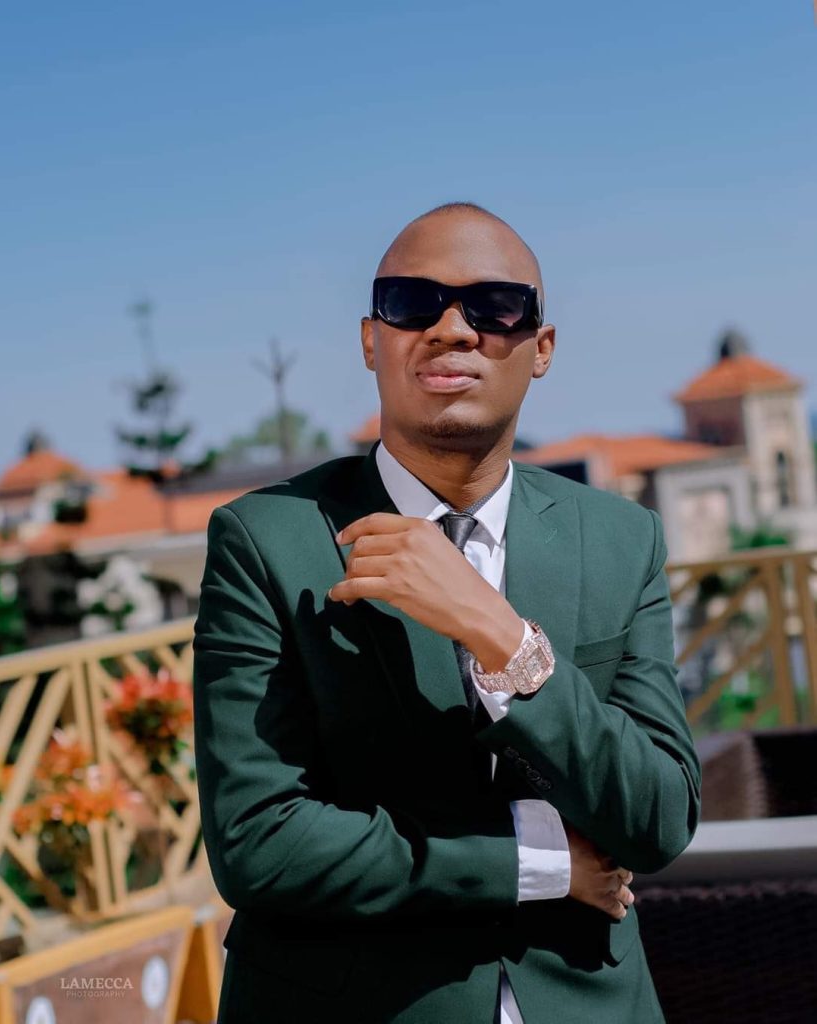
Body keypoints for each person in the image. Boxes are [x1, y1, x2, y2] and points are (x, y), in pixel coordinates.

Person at [192, 202, 702, 1024]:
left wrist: (500, 635)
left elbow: (657, 818)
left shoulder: (619, 538)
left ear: (541, 348)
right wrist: (536, 863)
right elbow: (259, 843)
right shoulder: (264, 539)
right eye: (412, 303)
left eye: (494, 306)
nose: (452, 329)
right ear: (372, 341)